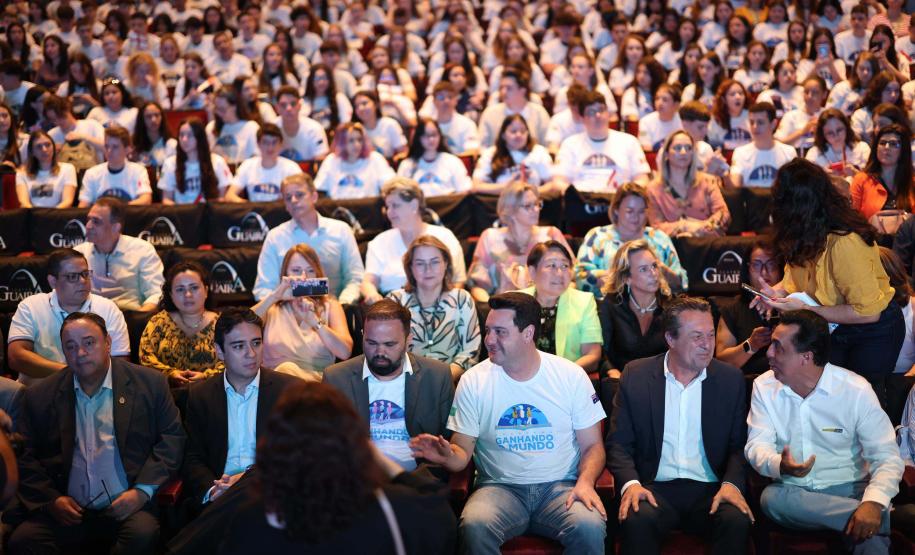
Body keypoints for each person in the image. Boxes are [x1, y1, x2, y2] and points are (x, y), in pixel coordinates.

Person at [410, 292, 608, 554]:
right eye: (488, 330)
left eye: (501, 332)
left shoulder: (570, 376)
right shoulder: (474, 380)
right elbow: (461, 456)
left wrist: (585, 482)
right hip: (499, 487)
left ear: (528, 334)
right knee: (475, 525)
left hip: (561, 487)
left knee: (589, 526)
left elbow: (593, 446)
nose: (490, 340)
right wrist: (445, 456)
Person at [9, 312, 185, 555]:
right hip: (68, 511)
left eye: (89, 343)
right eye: (71, 346)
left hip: (128, 506)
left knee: (143, 535)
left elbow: (172, 438)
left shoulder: (149, 384)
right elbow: (24, 455)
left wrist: (142, 491)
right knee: (24, 541)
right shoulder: (40, 395)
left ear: (108, 343)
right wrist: (52, 501)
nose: (80, 353)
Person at [219, 381, 457, 554]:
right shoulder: (390, 509)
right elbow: (441, 517)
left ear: (273, 447)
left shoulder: (250, 520)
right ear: (354, 443)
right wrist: (383, 461)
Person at [745, 310, 904, 553]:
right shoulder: (764, 387)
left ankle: (871, 516)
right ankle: (892, 518)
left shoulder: (855, 390)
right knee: (770, 499)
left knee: (869, 534)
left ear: (806, 357)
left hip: (851, 488)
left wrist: (872, 502)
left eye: (778, 347)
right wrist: (779, 464)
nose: (768, 353)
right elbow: (757, 445)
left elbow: (887, 457)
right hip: (793, 493)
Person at [608, 296, 754, 555]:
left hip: (712, 488)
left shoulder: (730, 379)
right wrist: (631, 484)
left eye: (710, 335)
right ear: (671, 339)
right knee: (636, 518)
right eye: (697, 336)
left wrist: (731, 484)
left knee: (736, 519)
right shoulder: (637, 375)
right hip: (654, 487)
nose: (707, 345)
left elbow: (739, 446)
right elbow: (619, 443)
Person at [755, 159, 905, 408]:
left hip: (873, 331)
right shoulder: (801, 234)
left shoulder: (845, 242)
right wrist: (777, 293)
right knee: (828, 398)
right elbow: (795, 281)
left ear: (798, 204)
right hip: (834, 324)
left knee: (860, 402)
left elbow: (867, 313)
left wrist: (805, 311)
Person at [165, 308, 301, 555]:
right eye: (238, 346)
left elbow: (295, 457)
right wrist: (212, 491)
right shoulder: (201, 395)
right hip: (218, 497)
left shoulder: (289, 390)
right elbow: (192, 456)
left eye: (256, 343)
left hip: (270, 492)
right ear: (219, 351)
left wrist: (245, 480)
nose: (251, 354)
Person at [324, 299, 455, 468]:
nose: (379, 352)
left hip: (419, 481)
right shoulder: (336, 377)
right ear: (363, 335)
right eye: (371, 343)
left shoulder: (437, 376)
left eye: (389, 344)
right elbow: (327, 444)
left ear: (409, 340)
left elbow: (447, 443)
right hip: (357, 479)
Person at [7, 248, 130, 386]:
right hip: (37, 392)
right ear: (53, 281)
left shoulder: (108, 308)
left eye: (85, 274)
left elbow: (120, 363)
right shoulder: (31, 306)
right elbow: (16, 357)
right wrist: (72, 374)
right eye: (72, 276)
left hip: (93, 392)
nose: (83, 281)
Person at [254, 173, 364, 305]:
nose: (293, 200)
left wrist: (341, 306)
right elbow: (264, 287)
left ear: (314, 196)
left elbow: (355, 278)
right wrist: (282, 308)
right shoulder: (275, 237)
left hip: (335, 309)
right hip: (288, 313)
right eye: (288, 198)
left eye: (299, 195)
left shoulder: (341, 230)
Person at [252, 244, 353, 381]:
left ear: (318, 273)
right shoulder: (272, 306)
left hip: (314, 385)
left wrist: (314, 321)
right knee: (285, 369)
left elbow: (344, 352)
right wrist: (275, 296)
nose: (303, 277)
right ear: (285, 274)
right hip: (272, 384)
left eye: (310, 271)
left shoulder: (331, 306)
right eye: (296, 270)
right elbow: (240, 327)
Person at [387, 235, 481, 382]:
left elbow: (470, 352)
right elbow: (388, 349)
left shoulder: (461, 299)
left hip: (451, 382)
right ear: (410, 267)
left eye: (435, 262)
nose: (428, 269)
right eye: (420, 263)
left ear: (446, 263)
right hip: (405, 381)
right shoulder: (395, 300)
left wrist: (442, 380)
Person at [363, 178, 467, 303]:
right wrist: (372, 294)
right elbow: (368, 282)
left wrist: (444, 307)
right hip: (392, 310)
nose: (389, 213)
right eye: (387, 206)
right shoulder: (379, 242)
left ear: (414, 205)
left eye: (395, 206)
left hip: (438, 307)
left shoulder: (444, 236)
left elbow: (458, 282)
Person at [577, 182, 688, 298]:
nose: (636, 217)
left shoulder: (659, 238)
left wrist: (661, 272)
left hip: (656, 308)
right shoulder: (597, 236)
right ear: (616, 210)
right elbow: (581, 277)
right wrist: (622, 277)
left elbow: (682, 284)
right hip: (606, 309)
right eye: (629, 211)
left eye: (641, 211)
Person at [468, 182, 572, 303]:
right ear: (509, 210)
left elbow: (572, 278)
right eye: (528, 206)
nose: (536, 210)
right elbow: (477, 286)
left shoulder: (551, 235)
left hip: (548, 310)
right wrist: (492, 309)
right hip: (502, 311)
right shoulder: (489, 237)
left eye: (537, 204)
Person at [519, 240, 603, 374]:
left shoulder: (584, 301)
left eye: (565, 266)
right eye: (551, 265)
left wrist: (560, 374)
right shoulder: (515, 302)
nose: (559, 273)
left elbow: (593, 355)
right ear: (532, 271)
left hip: (566, 381)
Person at [139, 261, 224, 388]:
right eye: (180, 289)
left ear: (206, 291)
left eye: (194, 288)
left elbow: (233, 361)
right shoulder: (159, 322)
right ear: (171, 295)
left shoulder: (222, 323)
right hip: (165, 393)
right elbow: (145, 357)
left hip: (212, 393)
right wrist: (170, 374)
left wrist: (206, 377)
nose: (188, 295)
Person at [75, 197, 165, 312]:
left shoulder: (142, 250)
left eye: (96, 221)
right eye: (88, 220)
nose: (88, 226)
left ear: (116, 227)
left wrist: (141, 319)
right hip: (89, 319)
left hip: (131, 316)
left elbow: (156, 293)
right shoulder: (79, 253)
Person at [554, 89, 651, 193]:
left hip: (618, 201)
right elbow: (559, 182)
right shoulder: (569, 144)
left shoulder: (630, 142)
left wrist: (626, 195)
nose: (598, 115)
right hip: (582, 202)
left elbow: (642, 179)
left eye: (601, 110)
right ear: (582, 118)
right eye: (591, 112)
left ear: (608, 114)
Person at [716, 239, 785, 376]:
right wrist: (751, 345)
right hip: (747, 384)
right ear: (747, 269)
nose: (764, 273)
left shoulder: (793, 304)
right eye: (757, 265)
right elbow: (721, 361)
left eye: (771, 265)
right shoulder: (732, 309)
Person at [646, 130, 731, 237]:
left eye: (688, 148)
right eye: (677, 148)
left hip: (706, 243)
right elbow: (656, 228)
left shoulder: (708, 181)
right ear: (667, 153)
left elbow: (723, 214)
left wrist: (701, 229)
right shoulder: (653, 189)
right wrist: (684, 226)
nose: (683, 152)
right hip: (673, 247)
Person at [158, 118, 234, 205]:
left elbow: (223, 197)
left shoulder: (217, 161)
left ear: (199, 137)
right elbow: (166, 199)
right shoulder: (170, 164)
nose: (184, 139)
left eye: (190, 135)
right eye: (181, 135)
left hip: (209, 214)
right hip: (181, 215)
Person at [472, 114, 556, 192]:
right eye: (513, 131)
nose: (518, 135)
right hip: (498, 202)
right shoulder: (490, 153)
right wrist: (509, 187)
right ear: (503, 135)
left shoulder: (539, 152)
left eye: (523, 131)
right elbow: (476, 186)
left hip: (534, 202)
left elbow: (552, 184)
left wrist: (530, 192)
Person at [313, 121, 396, 199]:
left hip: (368, 210)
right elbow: (320, 190)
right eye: (351, 141)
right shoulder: (331, 160)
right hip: (337, 211)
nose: (357, 145)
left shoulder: (375, 158)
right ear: (341, 142)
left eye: (359, 140)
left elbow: (391, 186)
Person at [850, 123, 914, 222]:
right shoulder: (861, 179)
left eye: (893, 144)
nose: (886, 147)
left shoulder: (912, 182)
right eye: (882, 143)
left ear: (903, 150)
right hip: (871, 235)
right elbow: (852, 218)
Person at [224, 123, 302, 203]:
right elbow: (230, 196)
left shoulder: (291, 168)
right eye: (265, 142)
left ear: (281, 144)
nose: (270, 147)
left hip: (282, 212)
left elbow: (301, 196)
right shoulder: (247, 165)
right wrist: (251, 206)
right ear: (258, 144)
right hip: (254, 212)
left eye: (274, 142)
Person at [78, 125, 153, 206]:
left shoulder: (138, 171)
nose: (109, 151)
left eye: (115, 147)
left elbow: (146, 200)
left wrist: (116, 210)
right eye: (107, 146)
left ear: (127, 149)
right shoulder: (92, 173)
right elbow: (83, 206)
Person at [396, 117, 472, 197]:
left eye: (434, 134)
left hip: (449, 207)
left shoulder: (452, 161)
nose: (431, 139)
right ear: (418, 138)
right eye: (426, 135)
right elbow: (400, 194)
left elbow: (464, 190)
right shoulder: (407, 165)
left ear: (440, 136)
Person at [477, 67, 550, 149]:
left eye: (509, 88)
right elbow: (482, 146)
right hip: (499, 160)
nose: (503, 92)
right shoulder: (490, 113)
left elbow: (548, 144)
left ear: (523, 90)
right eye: (501, 88)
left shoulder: (539, 113)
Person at [729, 101, 797, 188]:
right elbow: (735, 189)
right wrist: (724, 175)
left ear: (773, 124)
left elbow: (794, 188)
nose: (755, 127)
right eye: (752, 122)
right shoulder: (740, 152)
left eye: (760, 122)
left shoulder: (789, 152)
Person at [805, 108, 871, 181]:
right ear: (822, 134)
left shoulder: (862, 148)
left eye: (839, 130)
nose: (836, 136)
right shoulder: (814, 153)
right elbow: (808, 183)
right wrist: (823, 177)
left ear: (847, 127)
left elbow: (872, 181)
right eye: (830, 133)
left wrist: (855, 173)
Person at [15, 131, 77, 208]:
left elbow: (67, 201)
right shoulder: (22, 173)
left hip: (58, 216)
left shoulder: (68, 169)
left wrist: (49, 216)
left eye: (48, 145)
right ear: (32, 152)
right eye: (38, 146)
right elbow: (24, 203)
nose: (44, 149)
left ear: (54, 147)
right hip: (32, 216)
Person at [44, 94, 106, 171]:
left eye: (61, 116)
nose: (58, 122)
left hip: (94, 172)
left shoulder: (92, 125)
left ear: (67, 109)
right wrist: (52, 152)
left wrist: (84, 137)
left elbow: (107, 148)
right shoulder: (51, 135)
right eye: (53, 119)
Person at [205, 86, 260, 167]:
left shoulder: (251, 127)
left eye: (222, 109)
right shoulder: (211, 128)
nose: (219, 113)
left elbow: (256, 159)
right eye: (216, 109)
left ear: (235, 106)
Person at [273, 85, 329, 164]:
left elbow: (320, 160)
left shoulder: (314, 129)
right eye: (283, 105)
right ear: (277, 108)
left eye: (293, 104)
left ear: (299, 106)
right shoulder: (271, 129)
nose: (288, 108)